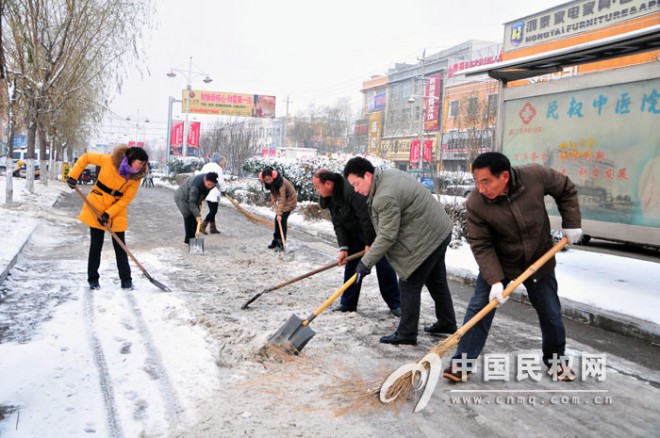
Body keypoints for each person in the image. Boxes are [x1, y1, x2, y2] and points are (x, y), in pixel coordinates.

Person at [443, 152, 582, 383]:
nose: (480, 188)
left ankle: (557, 362)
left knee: (551, 314)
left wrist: (572, 223)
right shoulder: (476, 203)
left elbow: (565, 188)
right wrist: (495, 280)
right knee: (479, 310)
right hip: (501, 262)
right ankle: (461, 364)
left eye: (485, 181)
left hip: (539, 258)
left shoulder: (535, 176)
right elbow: (481, 243)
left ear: (504, 176)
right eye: (476, 182)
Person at [343, 157, 457, 345]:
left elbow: (388, 235)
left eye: (357, 184)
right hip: (439, 230)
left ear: (368, 175)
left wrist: (365, 263)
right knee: (436, 281)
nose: (356, 189)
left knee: (408, 282)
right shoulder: (386, 176)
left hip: (428, 237)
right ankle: (447, 322)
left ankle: (407, 333)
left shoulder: (384, 196)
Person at [312, 169, 401, 316]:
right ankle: (348, 303)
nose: (317, 190)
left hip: (373, 232)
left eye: (317, 187)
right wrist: (343, 247)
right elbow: (338, 224)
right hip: (354, 234)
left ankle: (396, 304)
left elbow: (366, 217)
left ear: (328, 183)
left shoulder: (350, 190)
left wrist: (370, 243)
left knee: (384, 267)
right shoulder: (329, 197)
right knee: (352, 267)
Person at [66, 146, 149, 290]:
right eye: (140, 162)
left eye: (143, 164)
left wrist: (109, 213)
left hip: (116, 209)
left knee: (120, 246)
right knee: (96, 244)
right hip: (97, 204)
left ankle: (126, 280)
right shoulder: (109, 160)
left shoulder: (136, 178)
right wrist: (73, 176)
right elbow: (86, 157)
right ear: (131, 158)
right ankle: (93, 279)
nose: (141, 166)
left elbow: (126, 199)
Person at [174, 172, 218, 245]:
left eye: (212, 185)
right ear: (205, 180)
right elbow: (191, 202)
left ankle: (192, 238)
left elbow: (202, 193)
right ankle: (190, 241)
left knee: (195, 220)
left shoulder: (212, 182)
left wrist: (200, 201)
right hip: (182, 198)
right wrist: (197, 215)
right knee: (189, 217)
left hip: (193, 198)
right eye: (208, 184)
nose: (210, 187)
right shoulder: (196, 186)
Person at [260, 166, 297, 251]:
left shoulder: (281, 182)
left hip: (290, 201)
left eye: (269, 179)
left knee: (282, 220)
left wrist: (279, 214)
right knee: (277, 221)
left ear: (273, 176)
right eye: (266, 180)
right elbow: (273, 190)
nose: (268, 181)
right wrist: (273, 198)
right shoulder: (271, 182)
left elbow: (282, 198)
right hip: (283, 201)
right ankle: (275, 241)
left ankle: (281, 244)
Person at [198, 153, 226, 234]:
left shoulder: (206, 166)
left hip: (206, 190)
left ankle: (212, 228)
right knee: (213, 211)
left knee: (212, 210)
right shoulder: (218, 168)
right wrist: (223, 190)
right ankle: (203, 225)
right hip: (214, 192)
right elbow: (220, 181)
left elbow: (200, 175)